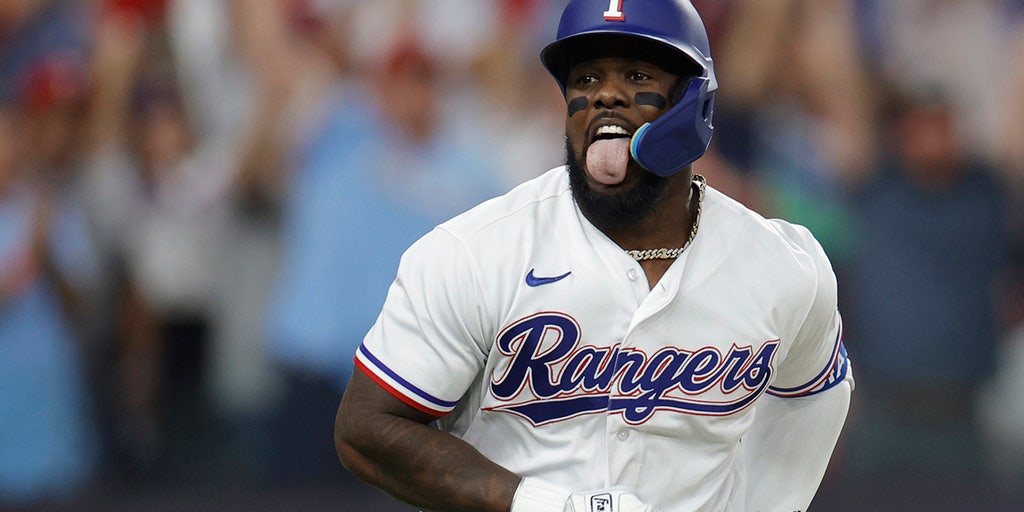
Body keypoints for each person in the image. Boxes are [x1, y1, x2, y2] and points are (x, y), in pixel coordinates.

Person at [334, 1, 853, 511]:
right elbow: (366, 428)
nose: (606, 95)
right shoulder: (476, 253)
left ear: (694, 103)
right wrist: (545, 505)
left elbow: (815, 392)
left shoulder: (783, 266)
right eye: (585, 80)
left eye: (636, 74)